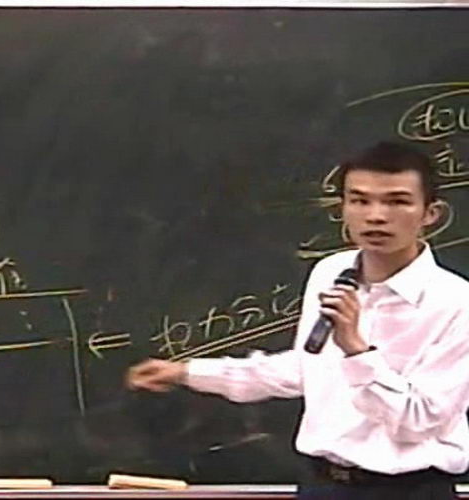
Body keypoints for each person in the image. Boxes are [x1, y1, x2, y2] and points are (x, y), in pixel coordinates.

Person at [127, 141, 469, 499]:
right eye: (359, 200)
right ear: (342, 207)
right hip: (322, 484)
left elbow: (419, 420)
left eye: (397, 201)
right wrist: (188, 372)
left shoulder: (455, 303)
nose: (376, 216)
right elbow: (306, 368)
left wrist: (356, 351)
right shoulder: (330, 272)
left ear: (431, 213)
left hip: (407, 489)